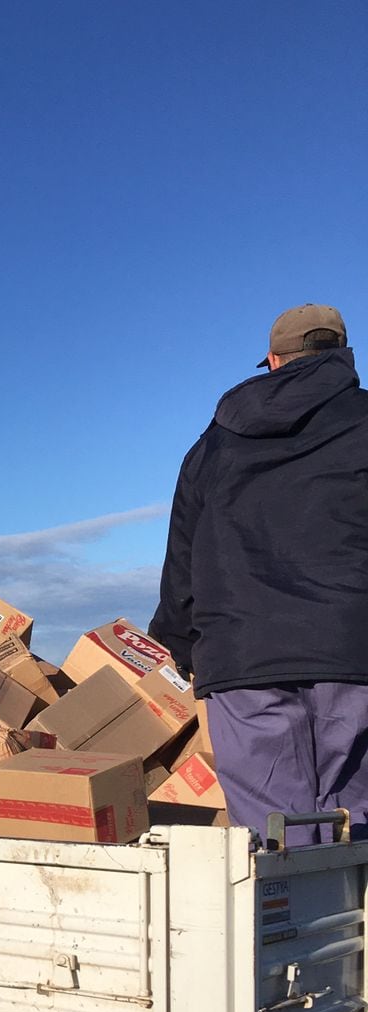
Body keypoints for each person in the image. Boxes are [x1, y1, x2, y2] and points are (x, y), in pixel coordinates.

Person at [150, 304, 368, 844]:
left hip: (243, 658)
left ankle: (291, 926)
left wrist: (181, 644)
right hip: (351, 649)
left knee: (275, 836)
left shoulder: (214, 444)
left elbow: (183, 556)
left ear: (273, 360)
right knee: (356, 819)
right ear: (343, 355)